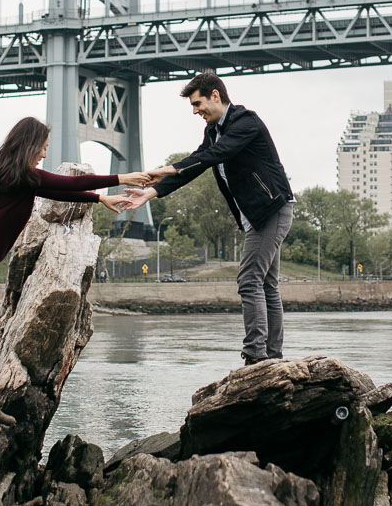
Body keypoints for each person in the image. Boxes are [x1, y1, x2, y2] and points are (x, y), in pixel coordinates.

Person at [0, 117, 134, 431]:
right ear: (30, 144)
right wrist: (121, 177)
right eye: (43, 147)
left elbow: (59, 191)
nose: (44, 154)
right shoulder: (15, 176)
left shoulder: (14, 175)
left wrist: (100, 198)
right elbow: (67, 184)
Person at [122, 71, 294, 364]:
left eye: (197, 103)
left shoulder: (246, 122)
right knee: (266, 284)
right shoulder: (213, 130)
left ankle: (256, 356)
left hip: (272, 209)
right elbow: (198, 164)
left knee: (249, 280)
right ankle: (272, 357)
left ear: (215, 95)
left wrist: (169, 167)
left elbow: (217, 154)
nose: (195, 111)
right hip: (257, 213)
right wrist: (151, 192)